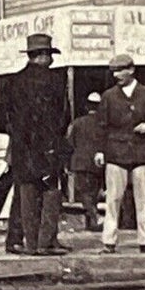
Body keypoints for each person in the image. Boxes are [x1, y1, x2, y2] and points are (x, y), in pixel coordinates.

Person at [2, 33, 70, 256]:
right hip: (47, 146)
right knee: (50, 192)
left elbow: (5, 118)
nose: (51, 60)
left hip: (22, 147)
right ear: (43, 56)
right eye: (49, 55)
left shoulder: (11, 81)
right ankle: (46, 240)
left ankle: (18, 240)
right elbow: (60, 116)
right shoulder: (54, 81)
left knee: (23, 194)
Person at [95, 53, 145, 254]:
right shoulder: (108, 96)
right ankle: (109, 241)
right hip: (116, 153)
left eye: (120, 71)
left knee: (144, 199)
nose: (116, 75)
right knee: (113, 199)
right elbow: (101, 126)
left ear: (132, 70)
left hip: (141, 153)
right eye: (113, 72)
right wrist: (100, 151)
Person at [66, 92, 104, 233]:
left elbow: (69, 143)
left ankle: (95, 217)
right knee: (93, 194)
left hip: (80, 163)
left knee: (84, 193)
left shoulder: (77, 123)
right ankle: (92, 222)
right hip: (97, 164)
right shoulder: (103, 124)